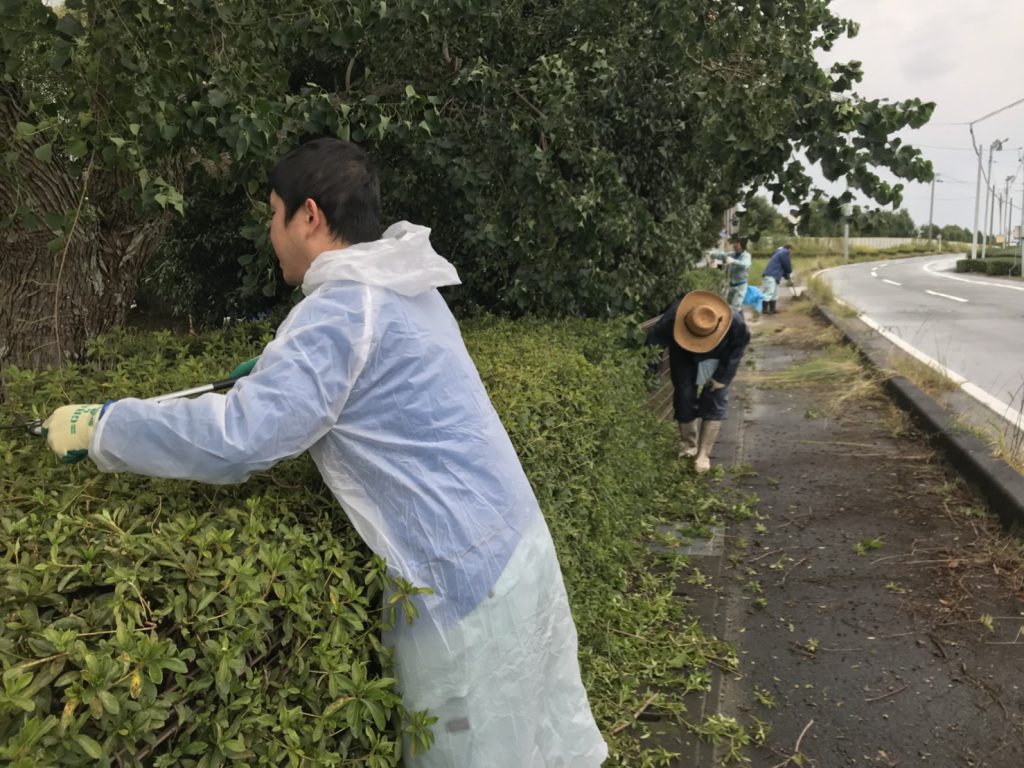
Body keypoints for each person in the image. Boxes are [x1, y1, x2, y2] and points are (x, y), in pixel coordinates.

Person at [42, 138, 608, 768]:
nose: (270, 231)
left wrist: (104, 427)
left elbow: (239, 437)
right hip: (513, 548)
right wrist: (277, 373)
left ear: (308, 215)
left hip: (465, 588)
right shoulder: (399, 284)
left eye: (272, 213)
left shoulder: (344, 309)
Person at [645, 290, 750, 473]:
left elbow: (739, 346)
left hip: (718, 354)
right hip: (683, 352)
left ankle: (703, 454)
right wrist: (652, 373)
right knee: (684, 395)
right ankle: (689, 446)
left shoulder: (734, 321)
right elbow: (654, 341)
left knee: (715, 396)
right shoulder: (672, 317)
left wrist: (723, 377)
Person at [761, 243, 793, 314]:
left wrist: (787, 276)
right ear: (789, 249)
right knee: (769, 293)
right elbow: (786, 264)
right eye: (791, 251)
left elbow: (782, 267)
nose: (790, 253)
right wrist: (790, 272)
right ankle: (764, 310)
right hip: (771, 275)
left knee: (774, 294)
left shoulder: (779, 253)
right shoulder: (784, 252)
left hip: (773, 276)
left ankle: (772, 309)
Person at [721, 241, 751, 311]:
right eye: (734, 244)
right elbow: (722, 255)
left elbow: (745, 264)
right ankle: (734, 316)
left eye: (737, 244)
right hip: (732, 284)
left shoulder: (746, 256)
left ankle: (737, 317)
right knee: (727, 304)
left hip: (741, 285)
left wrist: (733, 261)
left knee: (736, 306)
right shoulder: (733, 254)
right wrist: (712, 254)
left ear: (742, 246)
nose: (734, 245)